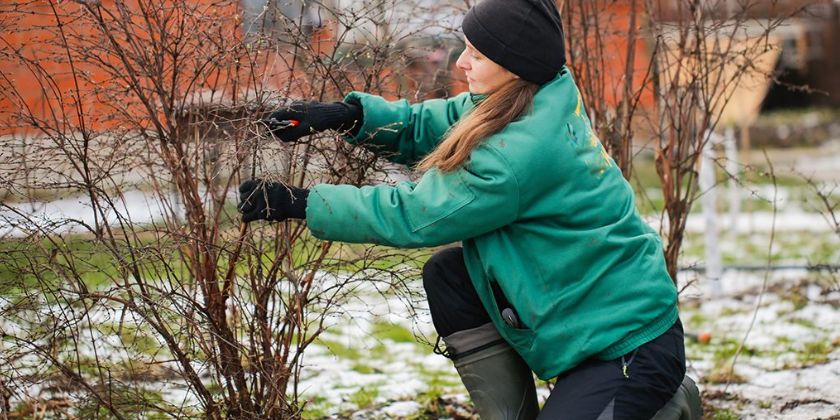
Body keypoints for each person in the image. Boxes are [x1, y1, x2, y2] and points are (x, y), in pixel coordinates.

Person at [238, 0, 697, 418]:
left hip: (626, 346)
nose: (461, 62)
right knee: (452, 277)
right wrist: (346, 115)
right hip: (585, 318)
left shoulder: (517, 155)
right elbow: (433, 122)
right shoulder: (539, 94)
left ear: (513, 66)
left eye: (476, 54)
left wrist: (299, 203)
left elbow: (415, 213)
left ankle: (668, 405)